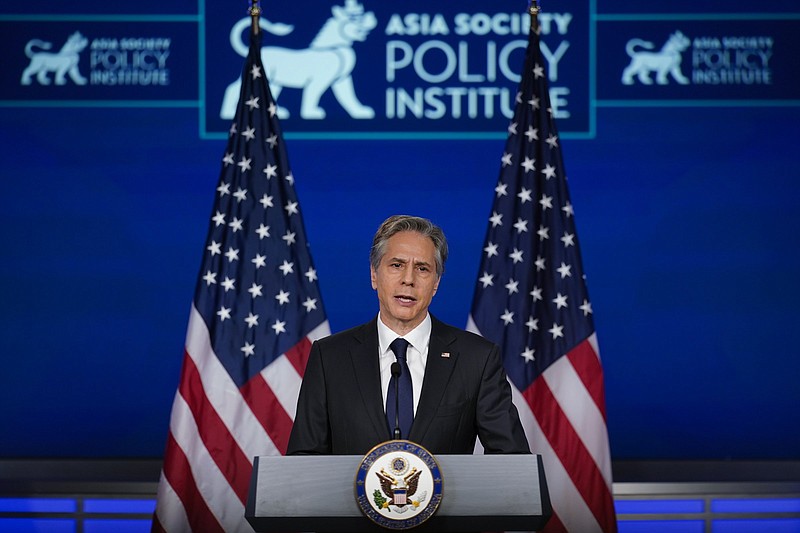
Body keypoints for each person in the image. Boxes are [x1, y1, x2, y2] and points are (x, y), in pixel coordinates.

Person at [287, 215, 530, 455]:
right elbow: (304, 461)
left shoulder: (476, 358)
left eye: (422, 269)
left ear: (436, 283)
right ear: (374, 275)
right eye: (396, 265)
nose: (408, 279)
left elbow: (511, 460)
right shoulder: (329, 357)